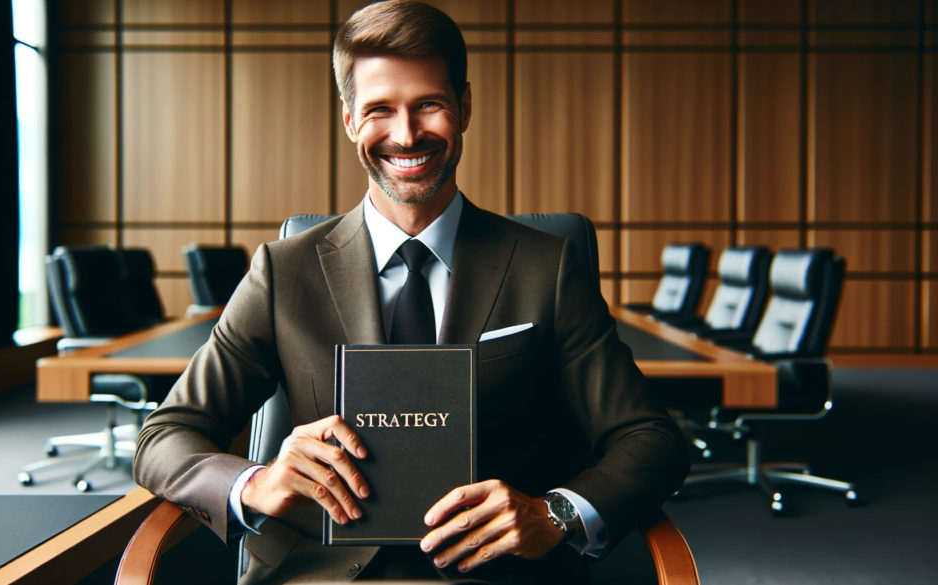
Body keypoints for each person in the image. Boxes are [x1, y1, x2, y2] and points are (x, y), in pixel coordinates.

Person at [134, 1, 689, 583]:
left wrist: (553, 514)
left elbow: (650, 437)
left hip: (497, 574)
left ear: (465, 107)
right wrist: (258, 482)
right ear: (349, 119)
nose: (406, 135)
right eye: (379, 110)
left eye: (429, 104)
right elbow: (163, 436)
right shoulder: (284, 271)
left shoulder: (546, 266)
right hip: (319, 573)